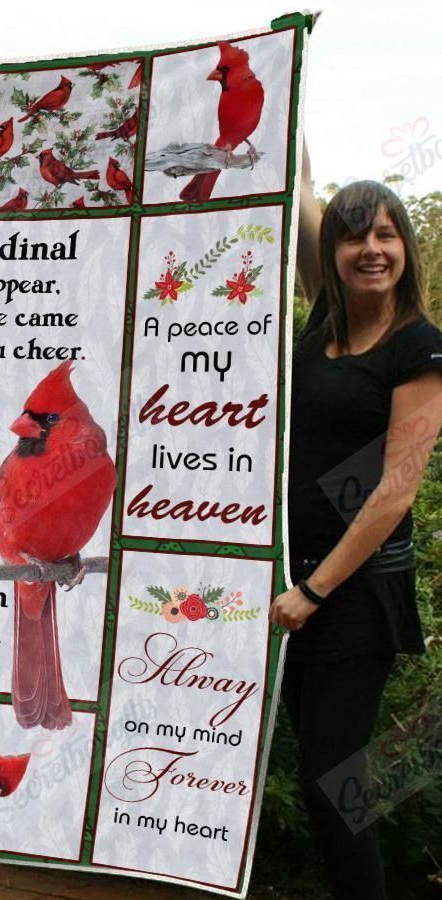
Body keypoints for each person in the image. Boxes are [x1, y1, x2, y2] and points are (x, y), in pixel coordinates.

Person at [272, 146, 442, 898]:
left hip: (352, 595)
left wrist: (313, 591)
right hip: (291, 582)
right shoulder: (325, 323)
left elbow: (394, 492)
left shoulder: (419, 348)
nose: (369, 250)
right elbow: (303, 195)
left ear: (404, 245)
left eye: (385, 234)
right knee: (306, 777)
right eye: (352, 237)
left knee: (334, 786)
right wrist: (287, 86)